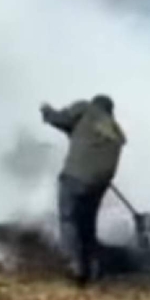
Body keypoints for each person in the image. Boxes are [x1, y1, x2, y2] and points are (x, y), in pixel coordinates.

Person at [40, 94, 126, 286]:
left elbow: (61, 119)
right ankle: (93, 268)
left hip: (75, 178)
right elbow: (75, 130)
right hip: (98, 184)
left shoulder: (85, 109)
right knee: (87, 224)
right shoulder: (114, 130)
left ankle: (76, 268)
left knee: (69, 220)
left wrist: (46, 111)